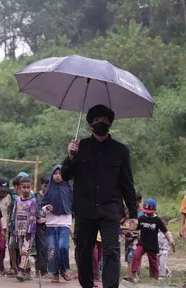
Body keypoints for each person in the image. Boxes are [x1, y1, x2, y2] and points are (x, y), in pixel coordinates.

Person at [61, 104, 138, 288]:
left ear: (110, 123)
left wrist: (134, 214)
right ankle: (86, 284)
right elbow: (65, 175)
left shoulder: (121, 151)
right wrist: (71, 157)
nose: (100, 123)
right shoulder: (80, 147)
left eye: (104, 120)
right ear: (90, 124)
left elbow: (127, 183)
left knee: (111, 251)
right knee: (83, 251)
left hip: (110, 209)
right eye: (96, 121)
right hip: (84, 209)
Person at [130, 199, 175, 283]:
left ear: (154, 210)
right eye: (146, 211)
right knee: (136, 255)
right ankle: (133, 274)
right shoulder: (142, 218)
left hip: (152, 244)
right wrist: (131, 230)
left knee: (153, 262)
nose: (147, 213)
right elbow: (136, 228)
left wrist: (170, 240)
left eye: (149, 211)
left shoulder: (157, 220)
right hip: (142, 243)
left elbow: (164, 231)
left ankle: (155, 277)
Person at [42, 165, 73, 283]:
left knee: (63, 246)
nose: (57, 175)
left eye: (60, 173)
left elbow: (73, 204)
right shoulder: (49, 189)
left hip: (64, 222)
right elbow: (42, 207)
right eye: (55, 173)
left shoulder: (69, 189)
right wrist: (47, 208)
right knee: (52, 249)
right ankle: (55, 273)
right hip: (51, 223)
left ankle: (65, 269)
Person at [12, 177, 37, 282]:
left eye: (28, 187)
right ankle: (28, 272)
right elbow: (14, 215)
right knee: (22, 251)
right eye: (24, 187)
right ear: (19, 188)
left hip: (28, 232)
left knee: (25, 251)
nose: (26, 189)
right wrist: (13, 229)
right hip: (19, 231)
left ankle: (20, 271)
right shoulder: (17, 200)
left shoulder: (33, 201)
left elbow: (33, 217)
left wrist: (30, 231)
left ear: (31, 188)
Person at [0, 177, 12, 275]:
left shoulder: (8, 198)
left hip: (4, 227)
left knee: (1, 247)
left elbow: (8, 211)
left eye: (5, 191)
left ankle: (1, 265)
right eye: (1, 191)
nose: (3, 193)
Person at [35, 174, 49, 277]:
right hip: (39, 225)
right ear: (41, 185)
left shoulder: (51, 196)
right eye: (45, 186)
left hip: (50, 225)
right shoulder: (36, 196)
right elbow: (33, 210)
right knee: (41, 247)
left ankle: (48, 269)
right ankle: (42, 270)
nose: (47, 188)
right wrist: (37, 218)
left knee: (49, 247)